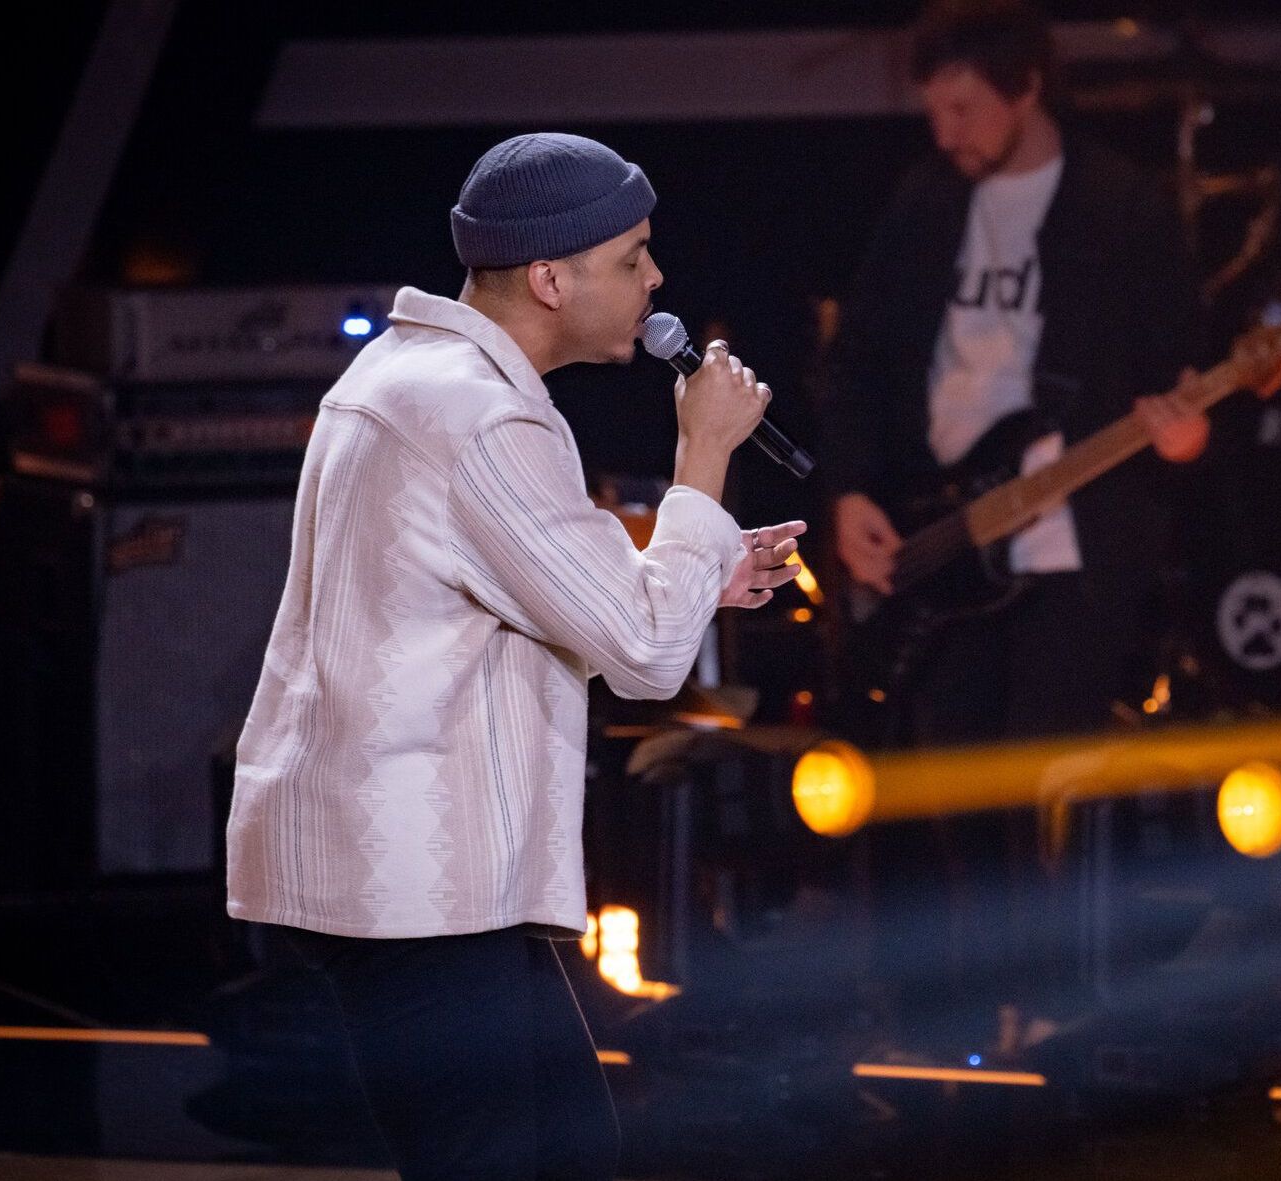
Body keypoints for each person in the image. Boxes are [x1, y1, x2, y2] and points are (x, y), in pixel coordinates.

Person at [224, 132, 805, 1181]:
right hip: (413, 882)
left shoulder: (411, 373)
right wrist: (704, 455)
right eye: (632, 256)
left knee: (568, 1149)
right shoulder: (482, 415)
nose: (656, 277)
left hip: (418, 875)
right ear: (550, 277)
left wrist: (701, 564)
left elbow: (521, 590)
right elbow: (643, 655)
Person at [819, 0, 1207, 746]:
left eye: (964, 109)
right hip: (939, 533)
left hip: (1070, 548)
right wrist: (849, 490)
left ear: (1026, 88)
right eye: (934, 111)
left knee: (1049, 777)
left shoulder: (1121, 208)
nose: (945, 133)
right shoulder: (923, 201)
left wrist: (1187, 436)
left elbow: (1176, 369)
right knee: (956, 791)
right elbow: (858, 363)